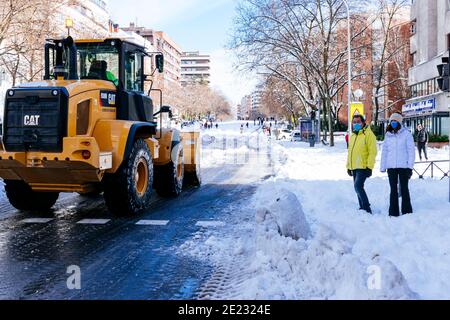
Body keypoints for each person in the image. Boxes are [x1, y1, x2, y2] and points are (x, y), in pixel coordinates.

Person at [381, 113, 415, 217]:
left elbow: (411, 151)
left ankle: (406, 210)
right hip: (391, 167)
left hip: (403, 166)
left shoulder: (406, 134)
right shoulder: (388, 135)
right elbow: (385, 151)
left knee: (404, 188)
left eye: (395, 121)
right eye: (392, 121)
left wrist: (410, 167)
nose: (393, 123)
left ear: (399, 122)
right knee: (393, 189)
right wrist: (383, 166)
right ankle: (393, 211)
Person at [347, 114, 377, 214]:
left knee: (358, 186)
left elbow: (372, 152)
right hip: (354, 166)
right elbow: (350, 152)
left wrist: (369, 167)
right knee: (357, 188)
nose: (356, 124)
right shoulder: (353, 136)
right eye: (354, 122)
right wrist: (348, 166)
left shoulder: (368, 134)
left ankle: (367, 208)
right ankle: (362, 207)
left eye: (358, 122)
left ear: (363, 122)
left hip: (363, 166)